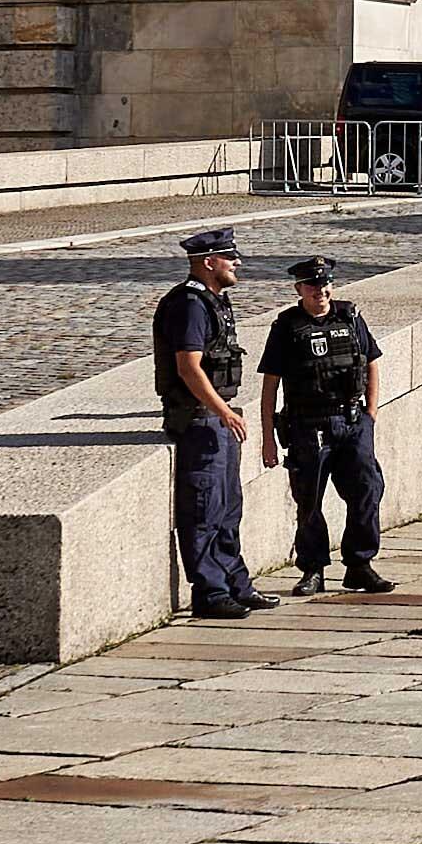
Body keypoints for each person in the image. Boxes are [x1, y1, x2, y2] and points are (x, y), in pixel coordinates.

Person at [150, 229, 269, 619]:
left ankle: (236, 582)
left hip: (218, 420)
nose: (238, 263)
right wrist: (223, 410)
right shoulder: (190, 304)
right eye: (230, 257)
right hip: (200, 422)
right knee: (203, 510)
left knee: (228, 508)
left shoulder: (216, 300)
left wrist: (226, 411)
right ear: (208, 262)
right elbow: (188, 368)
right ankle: (209, 592)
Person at [264, 254, 395, 597]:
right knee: (309, 501)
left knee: (367, 490)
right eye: (312, 285)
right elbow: (270, 384)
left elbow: (372, 362)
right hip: (308, 425)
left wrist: (372, 412)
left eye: (324, 284)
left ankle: (359, 565)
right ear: (299, 289)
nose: (320, 290)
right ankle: (313, 569)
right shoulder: (286, 327)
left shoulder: (350, 317)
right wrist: (267, 438)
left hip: (352, 421)